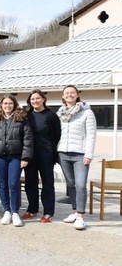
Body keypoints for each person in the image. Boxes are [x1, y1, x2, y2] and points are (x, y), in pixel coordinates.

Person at [0, 95, 33, 227]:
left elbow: (28, 139)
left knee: (13, 184)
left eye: (10, 104)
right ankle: (6, 211)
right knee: (2, 184)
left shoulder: (21, 119)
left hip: (15, 157)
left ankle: (15, 212)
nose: (7, 106)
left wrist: (25, 157)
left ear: (14, 105)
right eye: (5, 103)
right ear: (1, 105)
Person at [57, 85, 96, 230]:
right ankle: (74, 212)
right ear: (63, 96)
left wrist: (88, 154)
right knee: (71, 184)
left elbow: (91, 135)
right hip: (63, 153)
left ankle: (80, 216)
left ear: (77, 94)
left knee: (80, 185)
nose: (69, 95)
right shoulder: (59, 113)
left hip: (80, 154)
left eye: (72, 92)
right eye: (66, 93)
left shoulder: (87, 112)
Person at [24, 89, 61, 222]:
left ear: (43, 99)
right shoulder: (27, 115)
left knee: (47, 183)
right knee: (30, 182)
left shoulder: (51, 115)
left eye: (37, 98)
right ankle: (32, 209)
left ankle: (48, 212)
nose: (35, 101)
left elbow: (57, 136)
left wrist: (54, 155)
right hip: (30, 154)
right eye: (32, 99)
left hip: (46, 154)